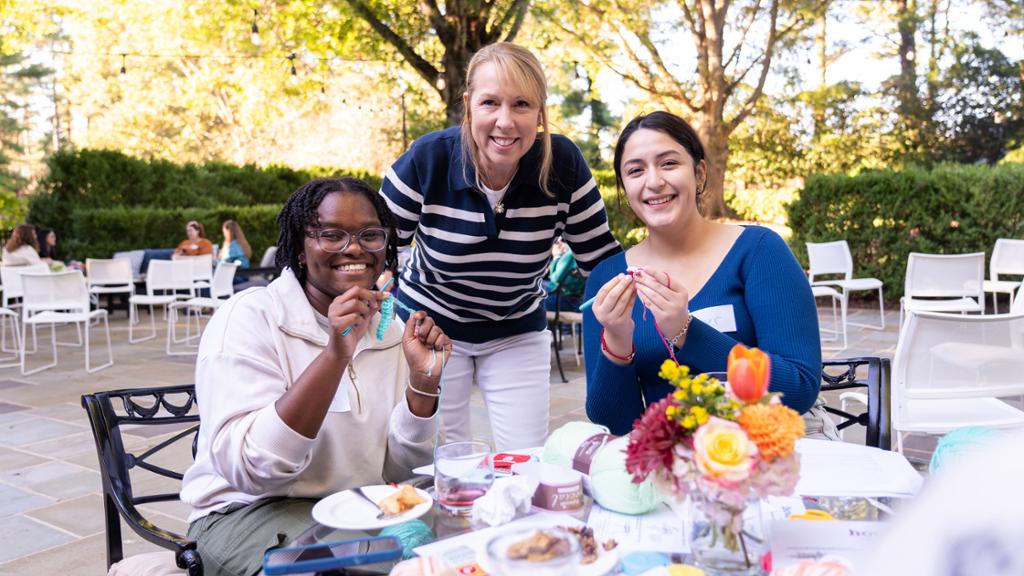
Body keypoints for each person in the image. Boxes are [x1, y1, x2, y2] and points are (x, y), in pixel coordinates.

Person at [180, 177, 452, 576]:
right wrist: (334, 356)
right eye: (332, 235)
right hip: (247, 513)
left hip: (358, 507)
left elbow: (401, 474)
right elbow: (254, 470)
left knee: (467, 540)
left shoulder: (390, 331)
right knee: (376, 567)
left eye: (370, 235)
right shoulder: (251, 318)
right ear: (300, 250)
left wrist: (422, 389)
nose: (355, 247)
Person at [380, 42, 621, 451]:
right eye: (490, 102)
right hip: (431, 327)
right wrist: (380, 329)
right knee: (440, 459)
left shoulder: (562, 164)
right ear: (468, 106)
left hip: (515, 328)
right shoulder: (429, 159)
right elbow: (378, 252)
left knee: (526, 458)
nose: (505, 122)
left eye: (522, 105)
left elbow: (600, 260)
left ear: (540, 113)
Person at [583, 111, 832, 438]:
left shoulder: (759, 251)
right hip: (675, 465)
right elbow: (617, 426)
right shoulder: (607, 279)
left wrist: (686, 332)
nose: (654, 181)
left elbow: (798, 389)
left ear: (699, 173)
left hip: (772, 453)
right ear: (624, 187)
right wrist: (616, 341)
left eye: (669, 163)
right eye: (635, 170)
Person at [544, 237, 584, 312]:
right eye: (556, 242)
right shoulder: (582, 252)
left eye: (562, 240)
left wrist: (556, 256)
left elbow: (555, 279)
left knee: (537, 286)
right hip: (579, 300)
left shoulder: (569, 255)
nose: (560, 243)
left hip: (563, 299)